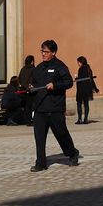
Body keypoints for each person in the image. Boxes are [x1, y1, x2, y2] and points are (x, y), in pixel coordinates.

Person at [29, 39, 80, 171]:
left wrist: (55, 85)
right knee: (39, 137)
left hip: (55, 108)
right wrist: (31, 87)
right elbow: (33, 83)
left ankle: (72, 153)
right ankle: (40, 163)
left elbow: (68, 82)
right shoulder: (38, 68)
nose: (43, 54)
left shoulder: (60, 66)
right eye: (42, 51)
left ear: (53, 52)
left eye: (46, 51)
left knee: (61, 134)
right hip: (40, 109)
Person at [74, 55, 99, 124]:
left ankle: (79, 119)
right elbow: (91, 79)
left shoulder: (81, 69)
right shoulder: (89, 69)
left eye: (78, 62)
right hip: (88, 89)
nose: (78, 64)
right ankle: (85, 119)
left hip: (81, 89)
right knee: (86, 104)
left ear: (80, 62)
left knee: (79, 103)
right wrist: (95, 88)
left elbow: (81, 79)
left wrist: (76, 78)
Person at [17, 54, 36, 126]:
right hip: (30, 90)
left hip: (23, 90)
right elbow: (33, 79)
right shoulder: (33, 69)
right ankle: (31, 120)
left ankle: (27, 120)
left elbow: (20, 79)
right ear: (32, 62)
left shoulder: (23, 69)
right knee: (32, 106)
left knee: (26, 106)